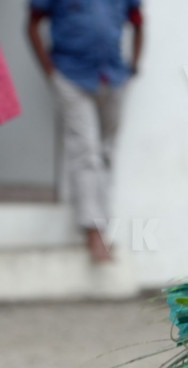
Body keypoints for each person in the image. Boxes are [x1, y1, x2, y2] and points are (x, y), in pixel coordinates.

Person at [27, 0, 144, 262]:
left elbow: (138, 22)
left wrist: (133, 66)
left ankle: (103, 226)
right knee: (86, 150)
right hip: (70, 76)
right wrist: (50, 71)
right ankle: (94, 232)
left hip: (113, 77)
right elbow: (32, 24)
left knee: (106, 152)